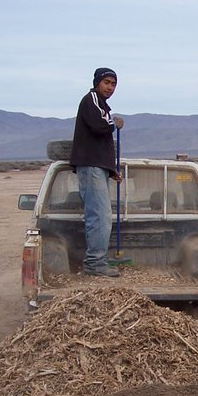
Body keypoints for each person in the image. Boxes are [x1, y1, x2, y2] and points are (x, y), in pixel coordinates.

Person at [69, 67, 125, 277]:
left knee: (101, 215)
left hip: (96, 167)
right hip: (91, 166)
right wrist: (114, 123)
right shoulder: (91, 99)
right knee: (99, 216)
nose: (110, 88)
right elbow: (99, 127)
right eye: (107, 83)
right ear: (97, 83)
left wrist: (111, 170)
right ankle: (94, 263)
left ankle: (98, 260)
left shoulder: (101, 105)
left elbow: (99, 143)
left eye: (114, 84)